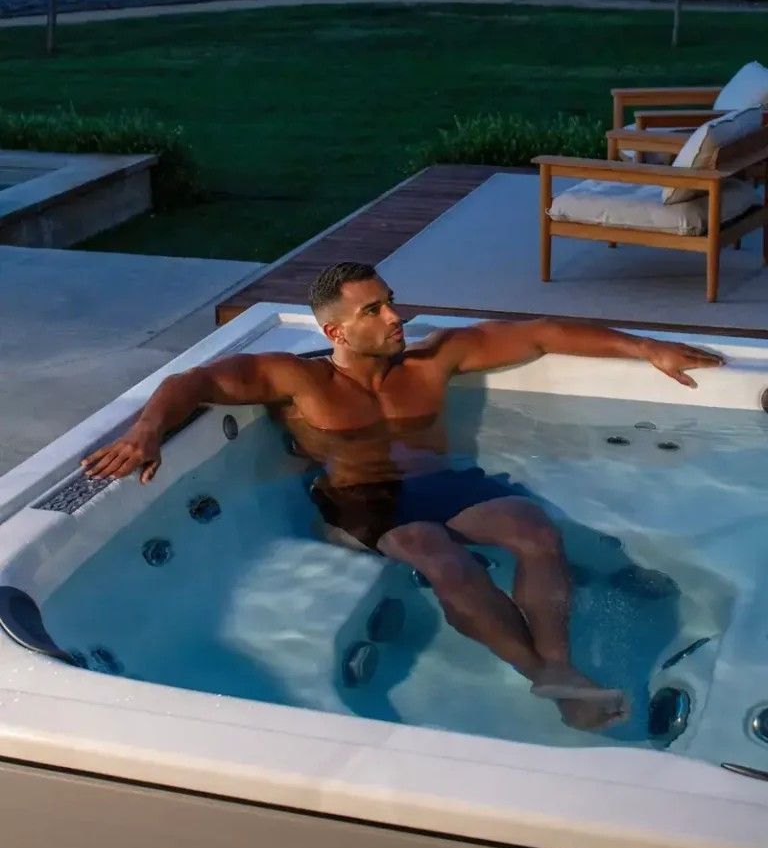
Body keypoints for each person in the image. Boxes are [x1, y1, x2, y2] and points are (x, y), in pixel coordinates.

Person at [83, 261, 722, 732]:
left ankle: (559, 666)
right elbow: (190, 382)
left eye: (391, 303)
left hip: (444, 483)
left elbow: (543, 332)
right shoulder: (297, 379)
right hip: (363, 497)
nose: (397, 318)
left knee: (533, 527)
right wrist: (146, 432)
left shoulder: (429, 364)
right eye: (375, 311)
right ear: (333, 329)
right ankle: (540, 676)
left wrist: (647, 347)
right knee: (436, 551)